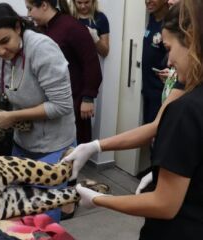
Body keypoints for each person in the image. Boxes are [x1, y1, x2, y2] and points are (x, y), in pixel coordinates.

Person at [73, 2, 203, 239]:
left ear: (192, 39)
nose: (168, 61)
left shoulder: (186, 110)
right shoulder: (189, 88)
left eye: (169, 48)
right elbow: (157, 127)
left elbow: (164, 204)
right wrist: (96, 145)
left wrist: (100, 199)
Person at [0, 2, 76, 222]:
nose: (0, 51)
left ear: (18, 27)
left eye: (4, 42)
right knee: (20, 214)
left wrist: (12, 116)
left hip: (54, 147)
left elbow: (61, 105)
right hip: (23, 143)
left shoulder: (42, 49)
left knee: (43, 218)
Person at [25, 0, 102, 145]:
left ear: (44, 5)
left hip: (75, 99)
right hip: (54, 100)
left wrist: (88, 98)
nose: (29, 14)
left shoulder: (72, 27)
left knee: (74, 148)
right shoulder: (44, 29)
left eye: (30, 9)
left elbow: (91, 64)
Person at [141, 0, 169, 125]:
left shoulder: (170, 24)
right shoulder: (151, 19)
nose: (148, 1)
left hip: (160, 94)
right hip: (147, 91)